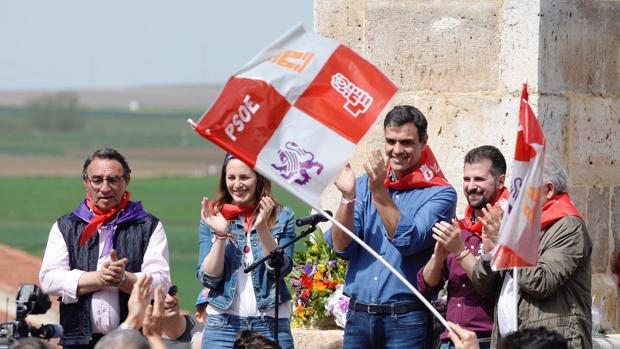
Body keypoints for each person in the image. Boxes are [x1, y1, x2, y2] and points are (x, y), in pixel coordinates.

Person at [325, 105, 457, 348]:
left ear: (424, 141)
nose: (397, 150)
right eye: (390, 141)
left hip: (406, 319)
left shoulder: (440, 193)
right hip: (358, 316)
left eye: (406, 142)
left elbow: (408, 240)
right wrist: (347, 198)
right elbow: (341, 247)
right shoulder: (364, 184)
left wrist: (378, 190)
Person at [39, 147, 171, 348]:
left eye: (113, 179)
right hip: (78, 340)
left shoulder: (148, 226)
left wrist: (125, 279)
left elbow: (161, 283)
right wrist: (99, 278)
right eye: (97, 180)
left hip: (133, 342)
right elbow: (48, 279)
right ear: (86, 182)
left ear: (126, 181)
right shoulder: (66, 226)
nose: (105, 187)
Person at [471, 158, 592, 348]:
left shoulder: (568, 226)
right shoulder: (520, 225)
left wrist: (505, 243)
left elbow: (542, 282)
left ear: (549, 189)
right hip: (511, 340)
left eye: (523, 188)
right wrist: (492, 250)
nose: (515, 196)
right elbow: (482, 286)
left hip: (550, 341)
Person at [196, 154, 296, 348]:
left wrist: (262, 229)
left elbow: (280, 270)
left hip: (270, 322)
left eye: (244, 177)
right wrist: (221, 235)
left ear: (259, 178)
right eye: (231, 177)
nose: (237, 184)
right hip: (223, 325)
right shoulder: (213, 216)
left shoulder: (283, 216)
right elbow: (209, 278)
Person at [417, 145, 508, 348]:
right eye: (467, 179)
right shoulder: (460, 228)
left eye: (479, 179)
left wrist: (459, 251)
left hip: (487, 341)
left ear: (500, 181)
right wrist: (438, 256)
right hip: (449, 339)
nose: (471, 186)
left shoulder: (509, 227)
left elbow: (492, 286)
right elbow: (427, 285)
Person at [159, 284, 202, 349]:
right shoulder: (143, 341)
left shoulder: (204, 326)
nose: (170, 299)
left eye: (172, 291)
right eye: (161, 295)